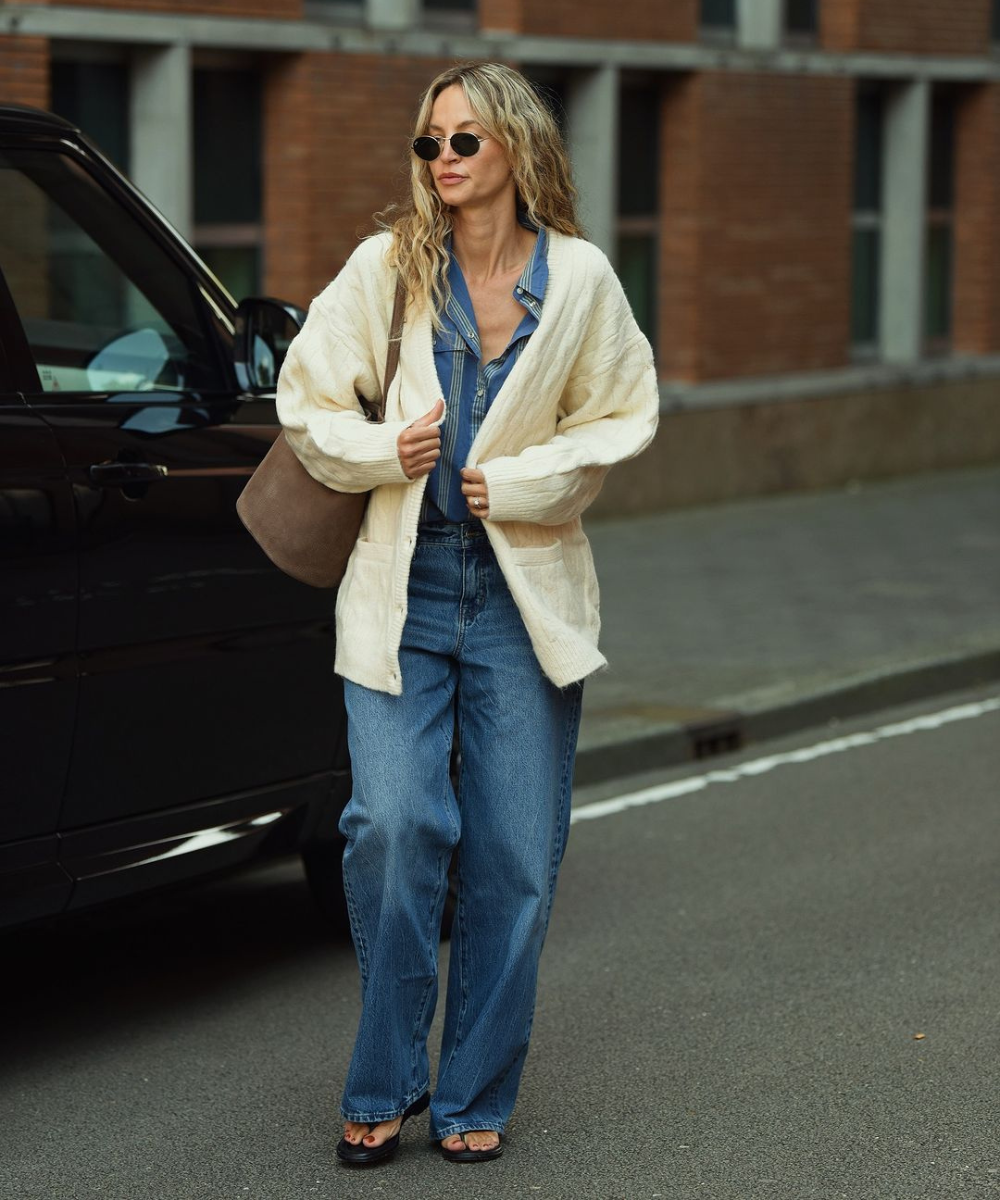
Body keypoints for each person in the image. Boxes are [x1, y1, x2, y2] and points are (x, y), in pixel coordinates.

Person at [276, 60, 659, 1166]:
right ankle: (387, 1074)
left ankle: (473, 1091)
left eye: (463, 141)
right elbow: (305, 400)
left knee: (512, 861)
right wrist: (375, 448)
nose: (441, 160)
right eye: (428, 142)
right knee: (393, 830)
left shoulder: (579, 281)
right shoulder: (386, 267)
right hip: (402, 586)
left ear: (515, 152)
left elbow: (622, 413)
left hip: (518, 596)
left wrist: (529, 484)